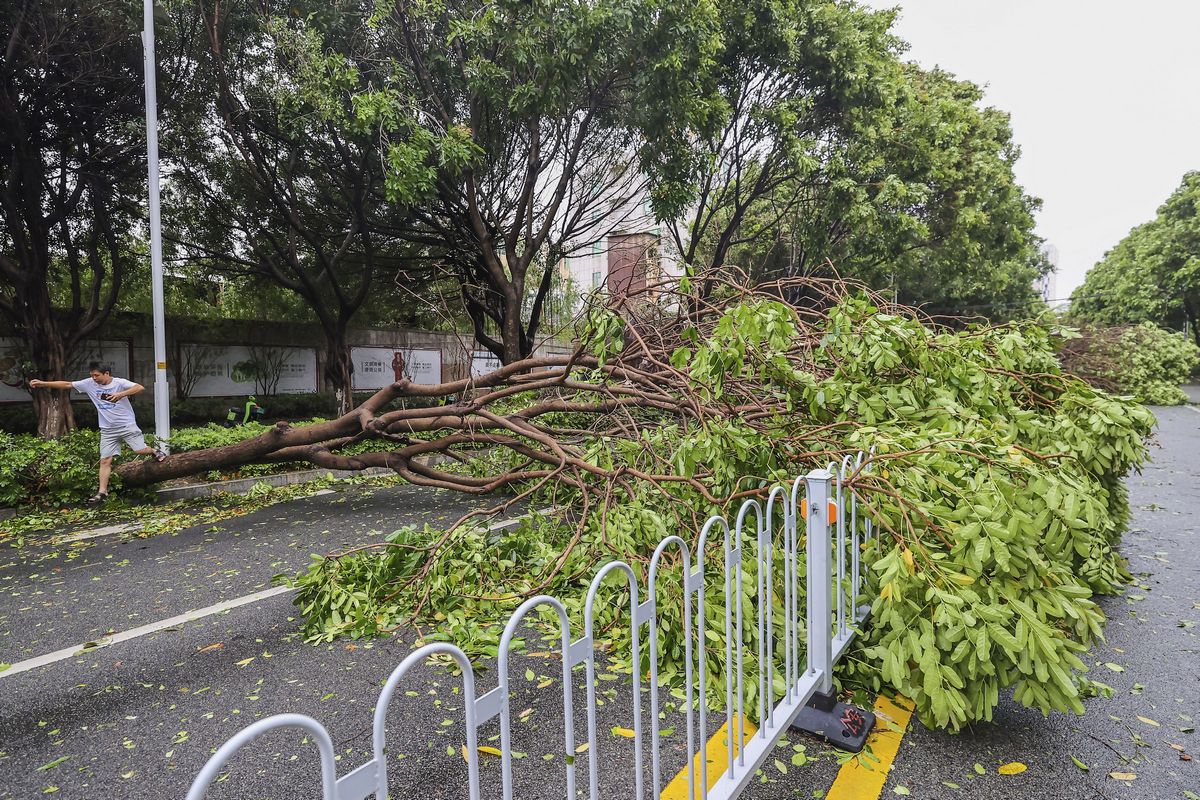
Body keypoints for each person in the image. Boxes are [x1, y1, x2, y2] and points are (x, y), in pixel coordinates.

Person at [29, 361, 165, 506]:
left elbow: (139, 387)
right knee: (105, 460)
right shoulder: (89, 384)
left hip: (126, 425)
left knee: (140, 450)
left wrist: (121, 394)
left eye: (97, 375)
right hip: (107, 429)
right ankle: (102, 492)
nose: (94, 378)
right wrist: (43, 383)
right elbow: (68, 384)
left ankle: (154, 450)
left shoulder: (119, 383)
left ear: (107, 373)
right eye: (92, 375)